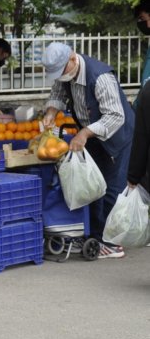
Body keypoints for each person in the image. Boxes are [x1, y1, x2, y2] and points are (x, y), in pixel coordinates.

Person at [41, 42, 134, 259]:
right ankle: (94, 235)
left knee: (111, 188)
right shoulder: (66, 76)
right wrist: (51, 113)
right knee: (92, 185)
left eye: (61, 71)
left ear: (73, 59)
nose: (60, 76)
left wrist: (84, 133)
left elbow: (115, 116)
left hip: (116, 135)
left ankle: (112, 244)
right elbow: (57, 94)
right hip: (91, 133)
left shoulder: (100, 77)